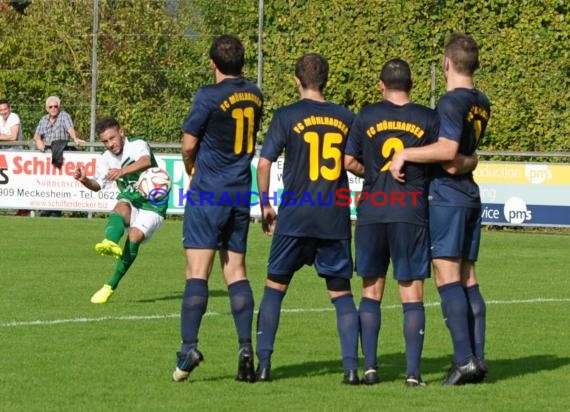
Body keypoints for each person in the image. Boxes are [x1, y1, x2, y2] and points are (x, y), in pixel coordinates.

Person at [390, 33, 490, 385]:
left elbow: (447, 153)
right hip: (468, 196)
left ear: (446, 63)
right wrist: (470, 160)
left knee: (447, 278)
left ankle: (463, 360)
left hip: (447, 198)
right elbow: (463, 156)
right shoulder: (482, 100)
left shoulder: (450, 103)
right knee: (469, 279)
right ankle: (477, 360)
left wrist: (405, 153)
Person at [255, 53, 360, 385]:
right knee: (342, 295)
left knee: (274, 289)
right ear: (325, 80)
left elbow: (264, 163)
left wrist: (266, 204)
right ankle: (351, 370)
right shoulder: (346, 117)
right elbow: (354, 162)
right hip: (333, 217)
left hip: (296, 217)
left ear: (297, 81)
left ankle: (264, 366)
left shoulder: (287, 116)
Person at [171, 34, 264, 383]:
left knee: (197, 271)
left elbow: (188, 144)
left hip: (209, 191)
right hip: (240, 191)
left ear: (212, 63)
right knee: (236, 270)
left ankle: (188, 348)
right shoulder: (255, 94)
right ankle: (244, 348)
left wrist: (192, 168)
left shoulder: (208, 95)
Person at [344, 58, 439, 387]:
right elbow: (440, 159)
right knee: (412, 294)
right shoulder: (428, 118)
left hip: (373, 209)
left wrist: (371, 173)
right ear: (411, 85)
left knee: (371, 292)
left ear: (381, 84)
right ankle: (413, 374)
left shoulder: (366, 115)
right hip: (409, 211)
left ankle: (370, 368)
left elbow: (347, 160)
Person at [73, 117, 167, 304]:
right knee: (120, 207)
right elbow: (98, 185)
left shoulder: (137, 144)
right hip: (131, 199)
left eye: (112, 138)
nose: (110, 144)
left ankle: (110, 286)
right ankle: (110, 242)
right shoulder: (105, 159)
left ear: (121, 132)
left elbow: (145, 161)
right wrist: (84, 180)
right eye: (105, 141)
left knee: (134, 236)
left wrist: (122, 172)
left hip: (153, 203)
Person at [34, 95, 85, 216]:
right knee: (47, 183)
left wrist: (75, 138)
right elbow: (36, 135)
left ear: (59, 107)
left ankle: (57, 209)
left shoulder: (64, 116)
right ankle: (46, 208)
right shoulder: (43, 119)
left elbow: (70, 128)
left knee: (60, 184)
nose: (53, 108)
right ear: (47, 108)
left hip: (61, 154)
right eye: (51, 106)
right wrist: (38, 141)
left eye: (55, 106)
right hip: (46, 157)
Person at [0, 99, 29, 216]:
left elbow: (13, 137)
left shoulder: (14, 117)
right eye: (0, 110)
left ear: (10, 108)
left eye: (5, 109)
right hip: (3, 154)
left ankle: (24, 208)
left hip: (16, 155)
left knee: (18, 183)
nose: (3, 112)